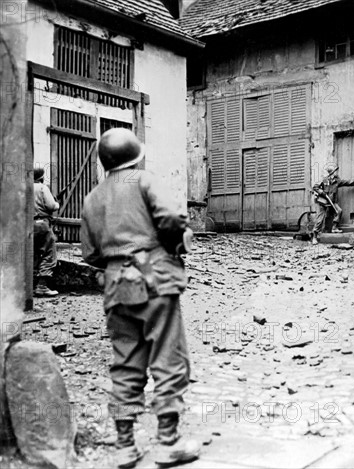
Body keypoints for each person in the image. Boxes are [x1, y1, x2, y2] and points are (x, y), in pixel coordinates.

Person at [80, 128, 199, 469]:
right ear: (136, 154)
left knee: (126, 362)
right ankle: (167, 442)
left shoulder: (92, 198)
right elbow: (173, 219)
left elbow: (90, 253)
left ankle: (125, 446)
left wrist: (118, 258)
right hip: (155, 280)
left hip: (117, 287)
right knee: (168, 357)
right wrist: (172, 243)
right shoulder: (145, 181)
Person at [311, 164, 354, 245]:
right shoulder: (324, 180)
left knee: (339, 211)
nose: (336, 173)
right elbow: (315, 187)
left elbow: (348, 182)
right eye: (334, 172)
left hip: (332, 202)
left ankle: (334, 227)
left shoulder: (337, 181)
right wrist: (321, 192)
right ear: (331, 173)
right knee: (320, 219)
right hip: (323, 202)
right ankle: (314, 237)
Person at [33, 168, 59, 297]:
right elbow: (51, 206)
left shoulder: (22, 188)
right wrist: (57, 204)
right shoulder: (42, 187)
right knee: (49, 253)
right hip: (41, 224)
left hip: (26, 225)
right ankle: (42, 286)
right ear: (41, 177)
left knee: (31, 253)